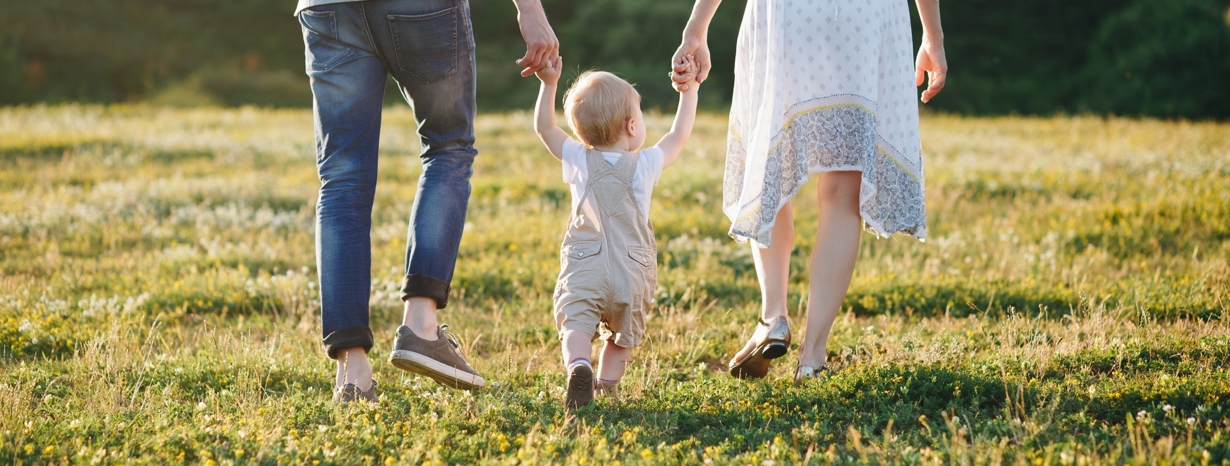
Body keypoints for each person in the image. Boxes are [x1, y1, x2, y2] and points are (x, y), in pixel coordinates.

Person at [295, 0, 560, 403]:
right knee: (448, 148)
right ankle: (421, 323)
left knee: (342, 180)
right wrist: (530, 10)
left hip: (327, 8)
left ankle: (353, 371)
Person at [670, 0, 947, 382]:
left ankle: (774, 318)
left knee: (770, 156)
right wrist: (933, 35)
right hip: (864, 18)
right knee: (841, 192)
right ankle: (812, 356)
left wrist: (696, 29)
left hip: (787, 14)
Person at [532, 55, 701, 408]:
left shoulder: (578, 158)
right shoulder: (647, 163)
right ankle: (607, 387)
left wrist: (548, 85)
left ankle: (578, 364)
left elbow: (545, 128)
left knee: (575, 325)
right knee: (621, 338)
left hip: (585, 267)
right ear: (631, 126)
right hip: (632, 270)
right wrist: (689, 91)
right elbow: (679, 135)